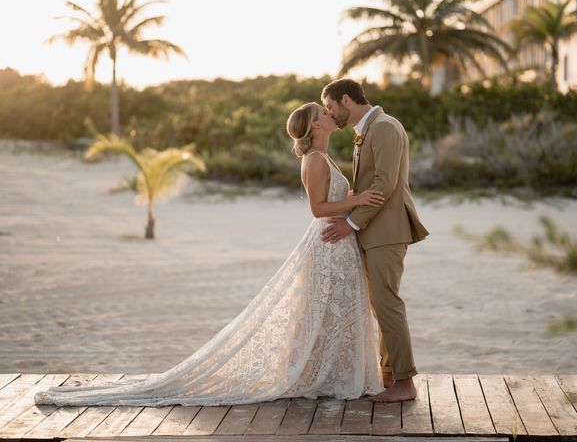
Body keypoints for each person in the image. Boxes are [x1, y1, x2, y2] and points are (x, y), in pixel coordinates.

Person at [33, 101, 385, 407]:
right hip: (326, 242)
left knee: (327, 312)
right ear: (315, 125)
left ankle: (326, 375)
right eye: (323, 112)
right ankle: (316, 377)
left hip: (336, 244)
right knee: (318, 309)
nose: (328, 113)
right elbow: (318, 208)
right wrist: (356, 200)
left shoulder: (321, 156)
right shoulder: (315, 159)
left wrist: (354, 200)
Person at [321, 78, 428, 403]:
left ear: (345, 101)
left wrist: (351, 223)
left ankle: (405, 383)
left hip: (387, 231)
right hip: (376, 231)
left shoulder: (384, 128)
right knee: (380, 305)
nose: (330, 114)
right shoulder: (368, 130)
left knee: (388, 305)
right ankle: (389, 374)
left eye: (330, 107)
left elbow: (384, 184)